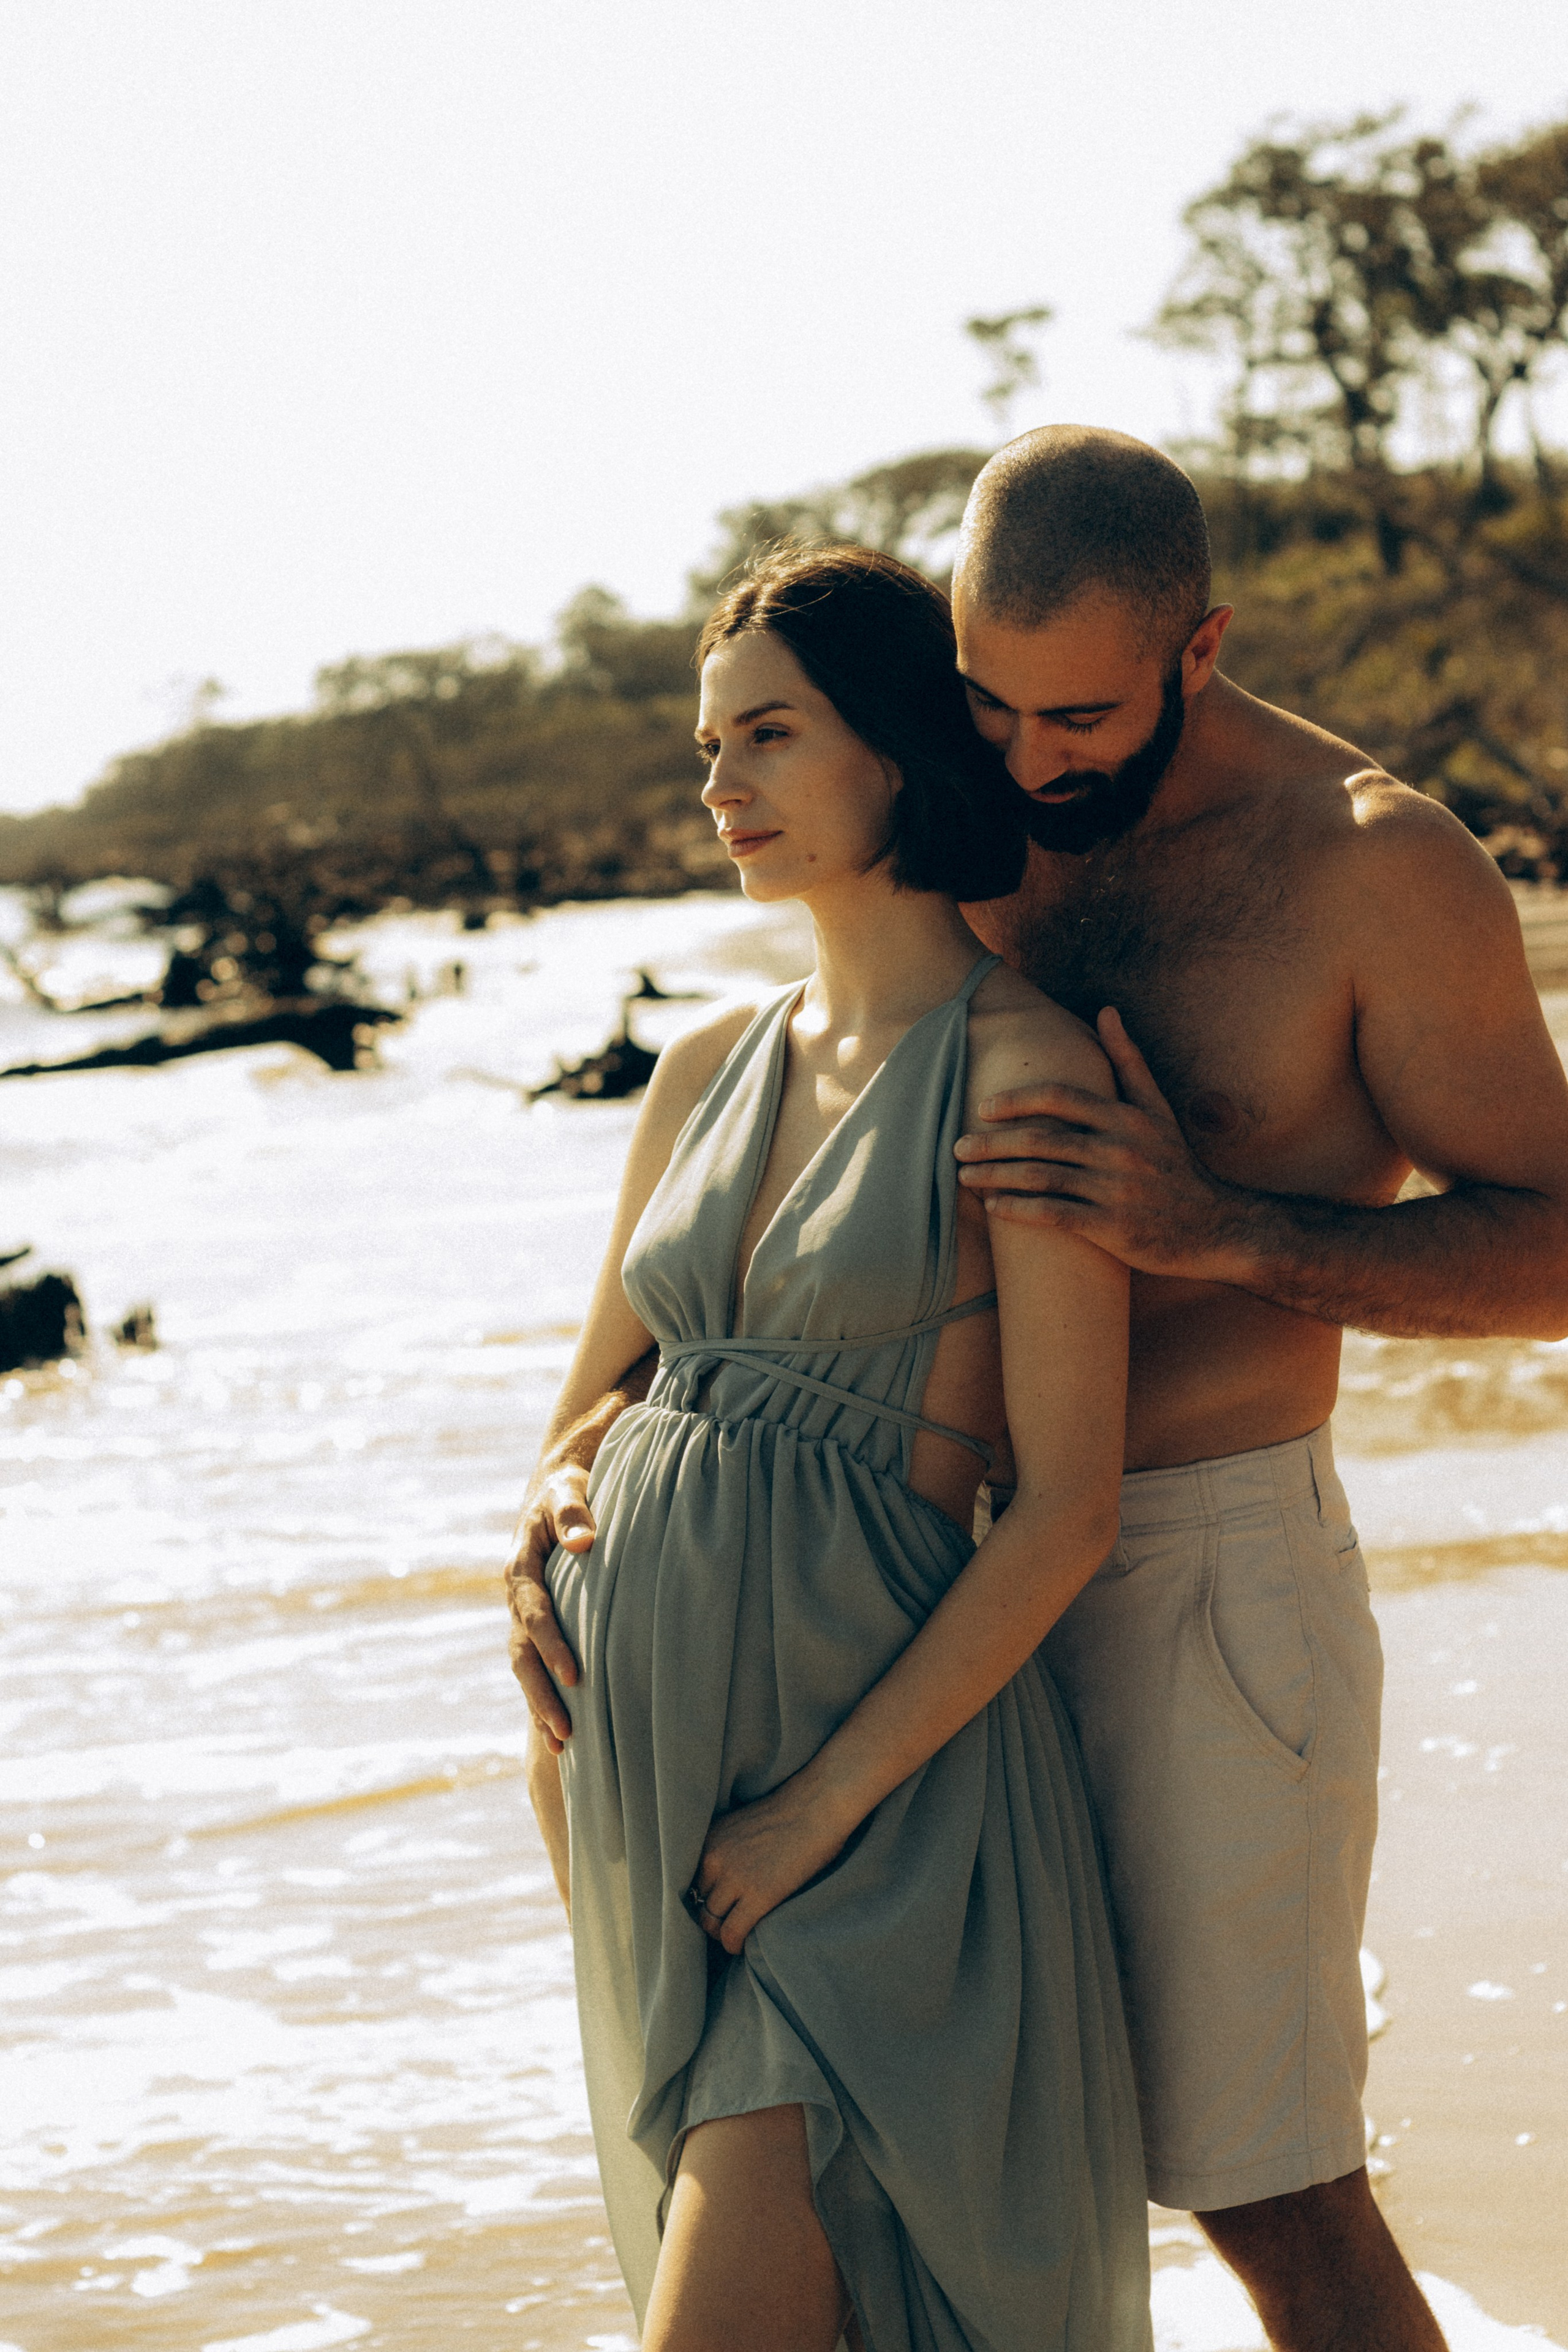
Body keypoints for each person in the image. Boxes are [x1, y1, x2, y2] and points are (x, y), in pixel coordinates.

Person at [941, 426, 1568, 2351]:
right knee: (943, 2152)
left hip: (1205, 1583)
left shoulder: (1369, 864)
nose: (1027, 759)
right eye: (984, 699)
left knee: (1269, 2192)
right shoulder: (944, 807)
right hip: (937, 1562)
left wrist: (1225, 1230)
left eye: (1078, 714)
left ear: (1202, 650)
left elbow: (1554, 1245)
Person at [512, 546, 1153, 2352]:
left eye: (769, 738)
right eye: (710, 748)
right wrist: (544, 1527)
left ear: (893, 747)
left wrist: (816, 1811)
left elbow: (1067, 1506)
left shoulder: (1021, 1071)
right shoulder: (702, 1065)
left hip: (870, 1810)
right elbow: (594, 1400)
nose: (722, 787)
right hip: (649, 1799)